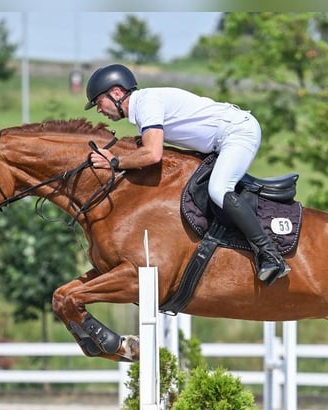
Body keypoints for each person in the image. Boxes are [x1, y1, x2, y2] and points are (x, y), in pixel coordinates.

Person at [84, 64, 290, 286]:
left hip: (237, 133)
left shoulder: (147, 104)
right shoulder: (145, 106)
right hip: (219, 141)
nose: (98, 110)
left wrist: (114, 161)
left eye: (98, 102)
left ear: (116, 93)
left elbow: (153, 154)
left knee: (219, 189)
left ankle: (270, 255)